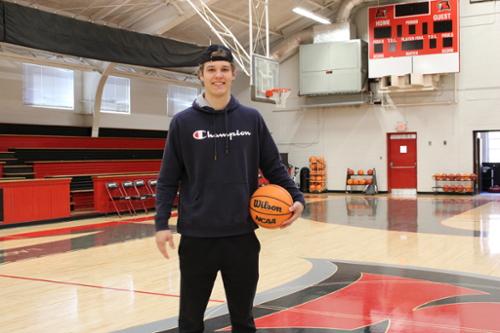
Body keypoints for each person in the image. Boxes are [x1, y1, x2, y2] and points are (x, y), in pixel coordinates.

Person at [154, 44, 305, 333]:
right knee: (189, 320)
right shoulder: (183, 123)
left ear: (234, 74)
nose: (218, 75)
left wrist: (296, 197)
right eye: (211, 69)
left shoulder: (251, 119)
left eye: (224, 69)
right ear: (201, 75)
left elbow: (273, 166)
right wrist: (161, 223)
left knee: (243, 320)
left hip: (241, 237)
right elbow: (167, 179)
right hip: (198, 237)